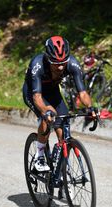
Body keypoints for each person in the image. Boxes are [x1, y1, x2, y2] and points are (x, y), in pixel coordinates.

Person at [22, 36, 96, 172]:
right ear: (47, 58)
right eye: (56, 63)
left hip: (53, 92)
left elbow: (83, 93)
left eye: (63, 62)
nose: (61, 66)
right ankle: (39, 157)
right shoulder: (37, 65)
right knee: (48, 115)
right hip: (34, 93)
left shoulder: (72, 63)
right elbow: (37, 97)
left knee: (63, 125)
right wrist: (46, 111)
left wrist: (90, 108)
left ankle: (61, 167)